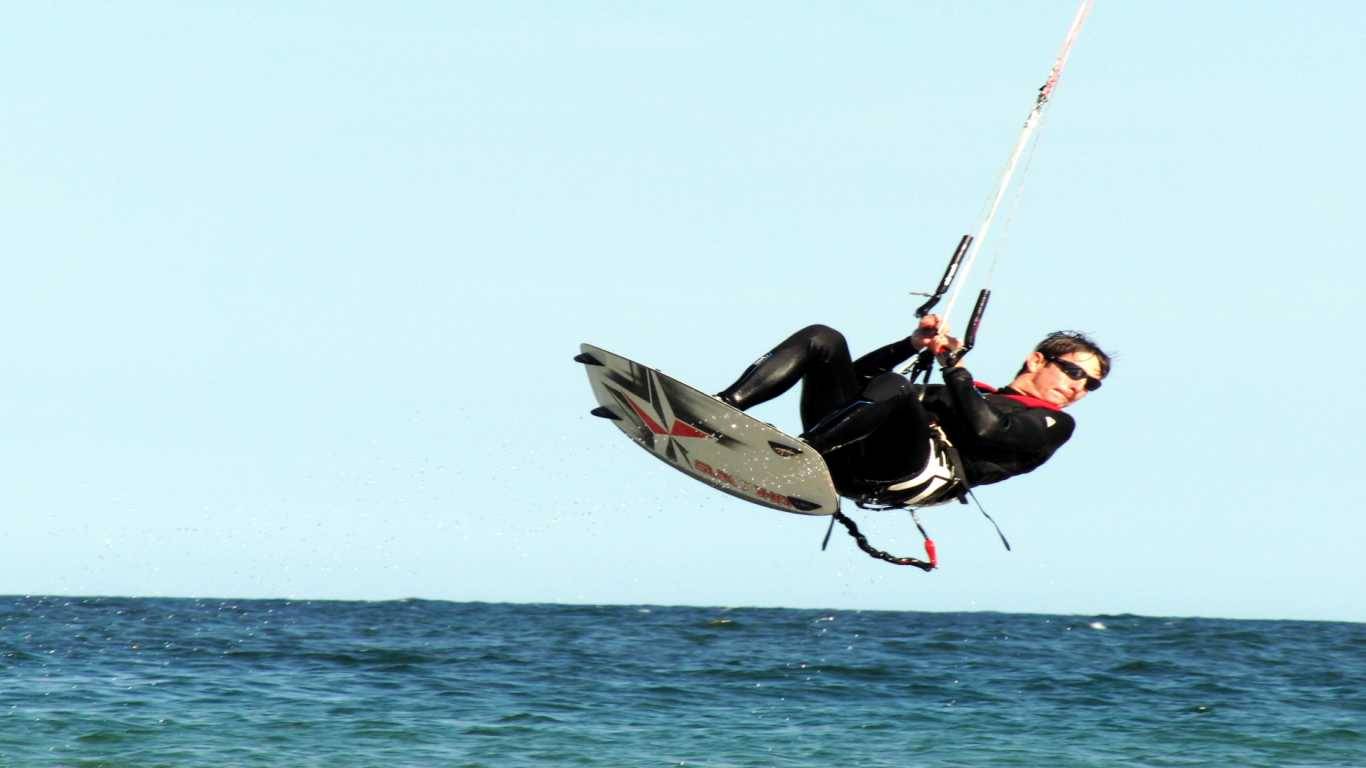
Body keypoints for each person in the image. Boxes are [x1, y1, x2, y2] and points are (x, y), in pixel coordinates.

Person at [715, 317, 1110, 508]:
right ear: (1038, 360)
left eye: (1091, 385)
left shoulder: (1055, 423)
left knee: (897, 387)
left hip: (902, 475)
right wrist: (911, 345)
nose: (1079, 388)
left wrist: (954, 367)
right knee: (824, 339)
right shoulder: (963, 392)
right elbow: (858, 384)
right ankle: (725, 408)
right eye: (1075, 373)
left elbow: (986, 430)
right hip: (850, 451)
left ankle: (798, 455)